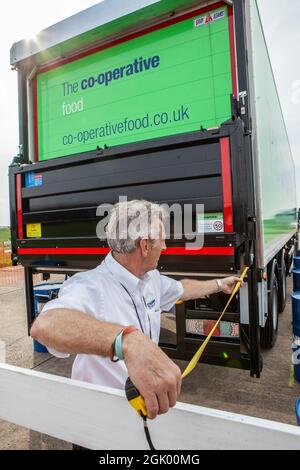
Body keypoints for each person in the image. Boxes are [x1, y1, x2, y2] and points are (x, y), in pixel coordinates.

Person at [31, 200, 241, 420]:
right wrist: (127, 342)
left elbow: (182, 289)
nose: (165, 247)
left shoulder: (151, 280)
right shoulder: (90, 285)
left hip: (138, 412)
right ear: (145, 246)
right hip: (99, 422)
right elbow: (46, 324)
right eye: (162, 241)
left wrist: (219, 284)